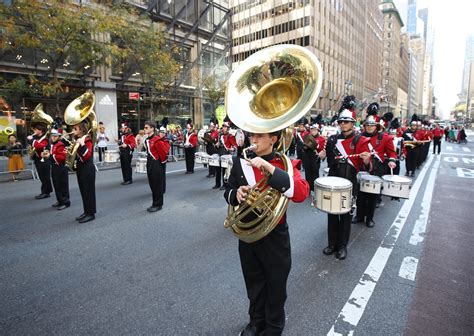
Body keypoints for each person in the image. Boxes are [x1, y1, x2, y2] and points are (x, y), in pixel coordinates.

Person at [223, 130, 309, 336]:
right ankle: (256, 322)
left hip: (274, 235)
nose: (253, 140)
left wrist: (269, 167)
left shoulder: (285, 164)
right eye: (252, 136)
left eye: (260, 136)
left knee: (276, 284)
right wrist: (236, 194)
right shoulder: (239, 162)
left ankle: (274, 326)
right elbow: (228, 191)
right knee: (253, 283)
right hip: (248, 233)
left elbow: (301, 193)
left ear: (273, 139)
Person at [319, 109, 372, 260]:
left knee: (346, 215)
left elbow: (366, 166)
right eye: (341, 122)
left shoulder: (360, 141)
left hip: (350, 183)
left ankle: (342, 246)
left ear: (353, 123)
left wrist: (367, 160)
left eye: (346, 122)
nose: (343, 124)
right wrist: (321, 155)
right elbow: (327, 158)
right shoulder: (332, 140)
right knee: (332, 213)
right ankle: (332, 244)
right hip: (333, 180)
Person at [353, 116, 397, 227]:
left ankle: (369, 218)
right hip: (362, 168)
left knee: (372, 196)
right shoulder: (359, 137)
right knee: (360, 194)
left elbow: (392, 153)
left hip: (377, 169)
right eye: (367, 125)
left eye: (372, 125)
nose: (369, 127)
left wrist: (391, 161)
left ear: (376, 126)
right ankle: (359, 216)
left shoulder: (384, 138)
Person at [143, 121, 170, 212]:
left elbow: (163, 153)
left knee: (157, 185)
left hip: (156, 164)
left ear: (152, 129)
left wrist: (161, 165)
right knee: (152, 184)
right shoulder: (148, 140)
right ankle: (154, 203)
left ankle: (158, 204)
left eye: (146, 127)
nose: (145, 129)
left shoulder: (157, 140)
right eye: (144, 127)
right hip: (150, 163)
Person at [72, 121, 96, 223]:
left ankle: (90, 213)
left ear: (81, 129)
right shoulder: (77, 139)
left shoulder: (87, 140)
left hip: (87, 169)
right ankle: (86, 211)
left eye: (75, 129)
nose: (73, 131)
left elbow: (87, 156)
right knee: (83, 191)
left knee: (88, 191)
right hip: (81, 168)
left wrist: (82, 144)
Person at [43, 129, 70, 210]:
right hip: (55, 167)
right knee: (56, 184)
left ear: (59, 136)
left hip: (61, 167)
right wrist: (47, 154)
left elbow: (62, 157)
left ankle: (65, 202)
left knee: (62, 185)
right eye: (52, 136)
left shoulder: (60, 144)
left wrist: (49, 156)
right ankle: (59, 200)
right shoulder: (53, 144)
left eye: (55, 136)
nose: (53, 138)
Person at [27, 123, 53, 199]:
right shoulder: (36, 137)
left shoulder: (44, 138)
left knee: (45, 176)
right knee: (42, 176)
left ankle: (46, 192)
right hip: (38, 159)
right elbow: (31, 143)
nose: (34, 131)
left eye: (35, 129)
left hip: (44, 159)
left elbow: (40, 146)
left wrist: (31, 140)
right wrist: (31, 138)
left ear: (40, 131)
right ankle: (45, 191)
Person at [302, 124, 326, 194]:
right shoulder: (307, 137)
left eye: (315, 130)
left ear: (318, 131)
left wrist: (315, 145)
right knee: (307, 173)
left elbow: (321, 148)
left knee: (315, 173)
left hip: (315, 157)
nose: (313, 132)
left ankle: (315, 189)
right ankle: (308, 188)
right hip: (307, 157)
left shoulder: (321, 138)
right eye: (312, 130)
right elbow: (304, 146)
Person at [214, 122, 237, 190]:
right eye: (223, 127)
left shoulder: (230, 136)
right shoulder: (220, 136)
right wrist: (217, 145)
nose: (223, 128)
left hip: (226, 155)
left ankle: (225, 185)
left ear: (228, 128)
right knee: (217, 170)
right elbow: (218, 146)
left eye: (225, 127)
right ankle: (217, 184)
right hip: (220, 154)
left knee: (225, 171)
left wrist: (232, 148)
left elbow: (235, 146)